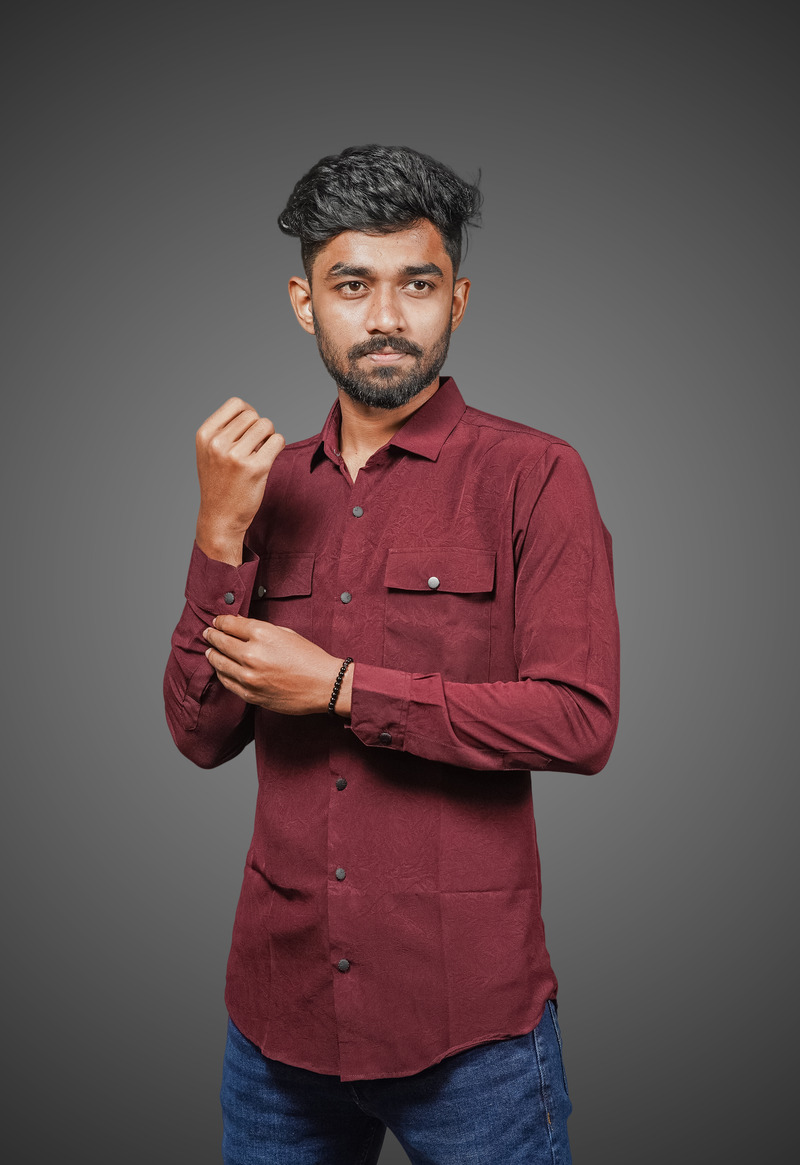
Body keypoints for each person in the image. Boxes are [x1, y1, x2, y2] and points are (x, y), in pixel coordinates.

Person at [164, 144, 619, 1165]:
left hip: (471, 1035)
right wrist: (217, 531)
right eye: (350, 285)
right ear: (304, 303)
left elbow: (579, 721)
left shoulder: (537, 475)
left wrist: (338, 688)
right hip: (275, 1027)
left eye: (415, 284)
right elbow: (198, 733)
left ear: (457, 298)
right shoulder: (264, 485)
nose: (384, 317)